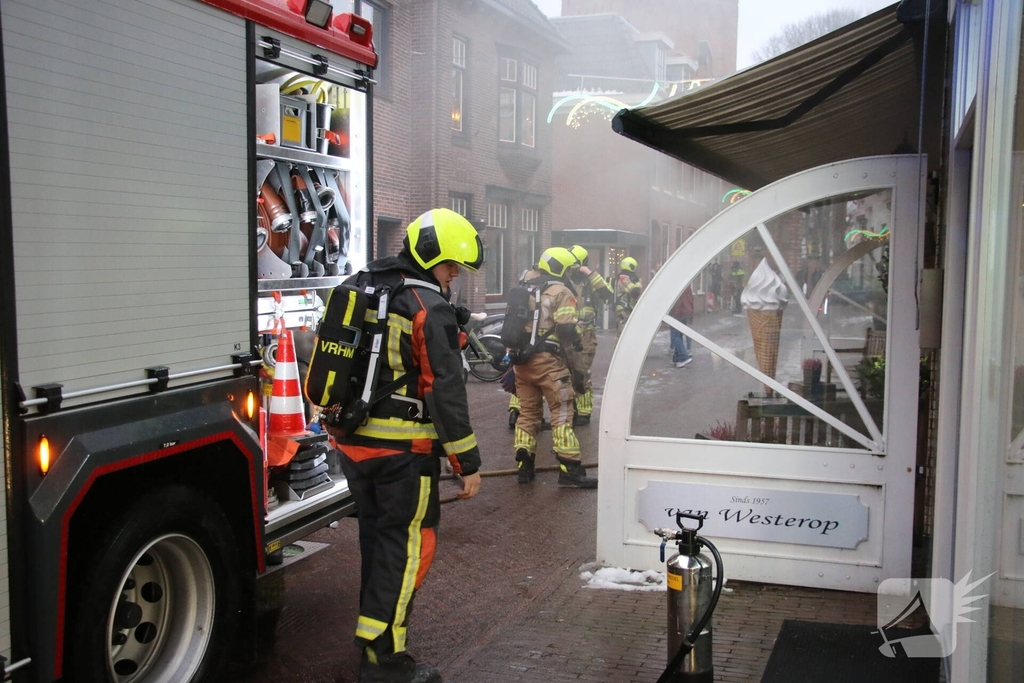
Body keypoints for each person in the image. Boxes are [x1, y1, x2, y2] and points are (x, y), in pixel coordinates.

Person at [327, 208, 483, 683]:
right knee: (409, 548)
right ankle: (384, 662)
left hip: (355, 447)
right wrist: (467, 462)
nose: (454, 274)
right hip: (404, 455)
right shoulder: (425, 306)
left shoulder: (367, 284)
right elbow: (444, 390)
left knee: (378, 542)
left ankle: (373, 636)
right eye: (451, 264)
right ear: (431, 255)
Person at [512, 247, 597, 488]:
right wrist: (581, 331)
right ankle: (570, 469)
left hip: (522, 363)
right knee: (561, 413)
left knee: (528, 413)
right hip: (549, 363)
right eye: (569, 268)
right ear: (561, 268)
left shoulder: (525, 288)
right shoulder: (561, 292)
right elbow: (567, 331)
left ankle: (524, 466)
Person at [566, 244, 613, 425]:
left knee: (581, 371)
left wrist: (589, 273)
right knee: (567, 373)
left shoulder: (590, 283)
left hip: (585, 333)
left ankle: (584, 412)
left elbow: (607, 294)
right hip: (567, 332)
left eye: (575, 266)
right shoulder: (565, 281)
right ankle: (573, 409)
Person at [614, 256, 643, 334]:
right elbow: (635, 292)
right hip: (624, 310)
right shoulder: (623, 278)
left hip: (625, 308)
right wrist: (639, 283)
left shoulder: (621, 277)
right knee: (624, 334)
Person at [669, 284, 694, 368]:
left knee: (676, 335)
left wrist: (672, 313)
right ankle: (676, 359)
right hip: (687, 311)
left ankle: (683, 357)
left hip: (679, 312)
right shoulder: (687, 285)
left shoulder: (676, 286)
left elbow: (677, 301)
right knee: (679, 334)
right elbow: (691, 299)